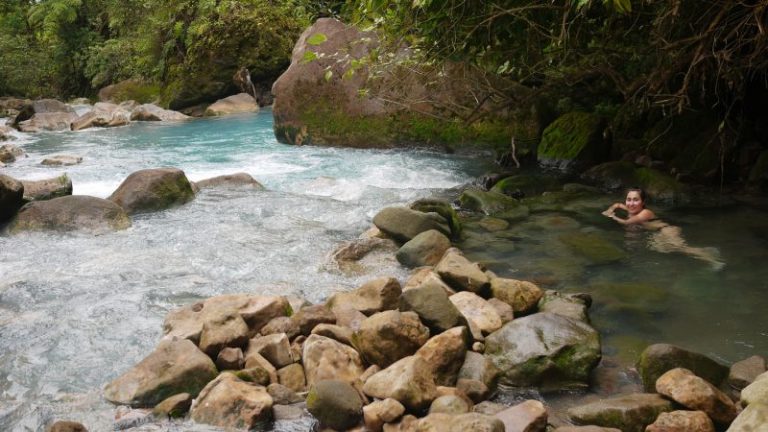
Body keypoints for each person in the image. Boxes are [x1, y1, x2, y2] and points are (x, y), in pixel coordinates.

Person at [603, 188, 724, 270]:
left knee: (683, 249)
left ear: (643, 202)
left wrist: (611, 215)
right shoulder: (631, 208)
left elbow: (626, 222)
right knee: (670, 249)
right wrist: (611, 208)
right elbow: (617, 204)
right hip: (658, 233)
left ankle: (714, 260)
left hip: (666, 230)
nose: (631, 203)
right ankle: (708, 253)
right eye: (628, 199)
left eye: (635, 200)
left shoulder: (645, 213)